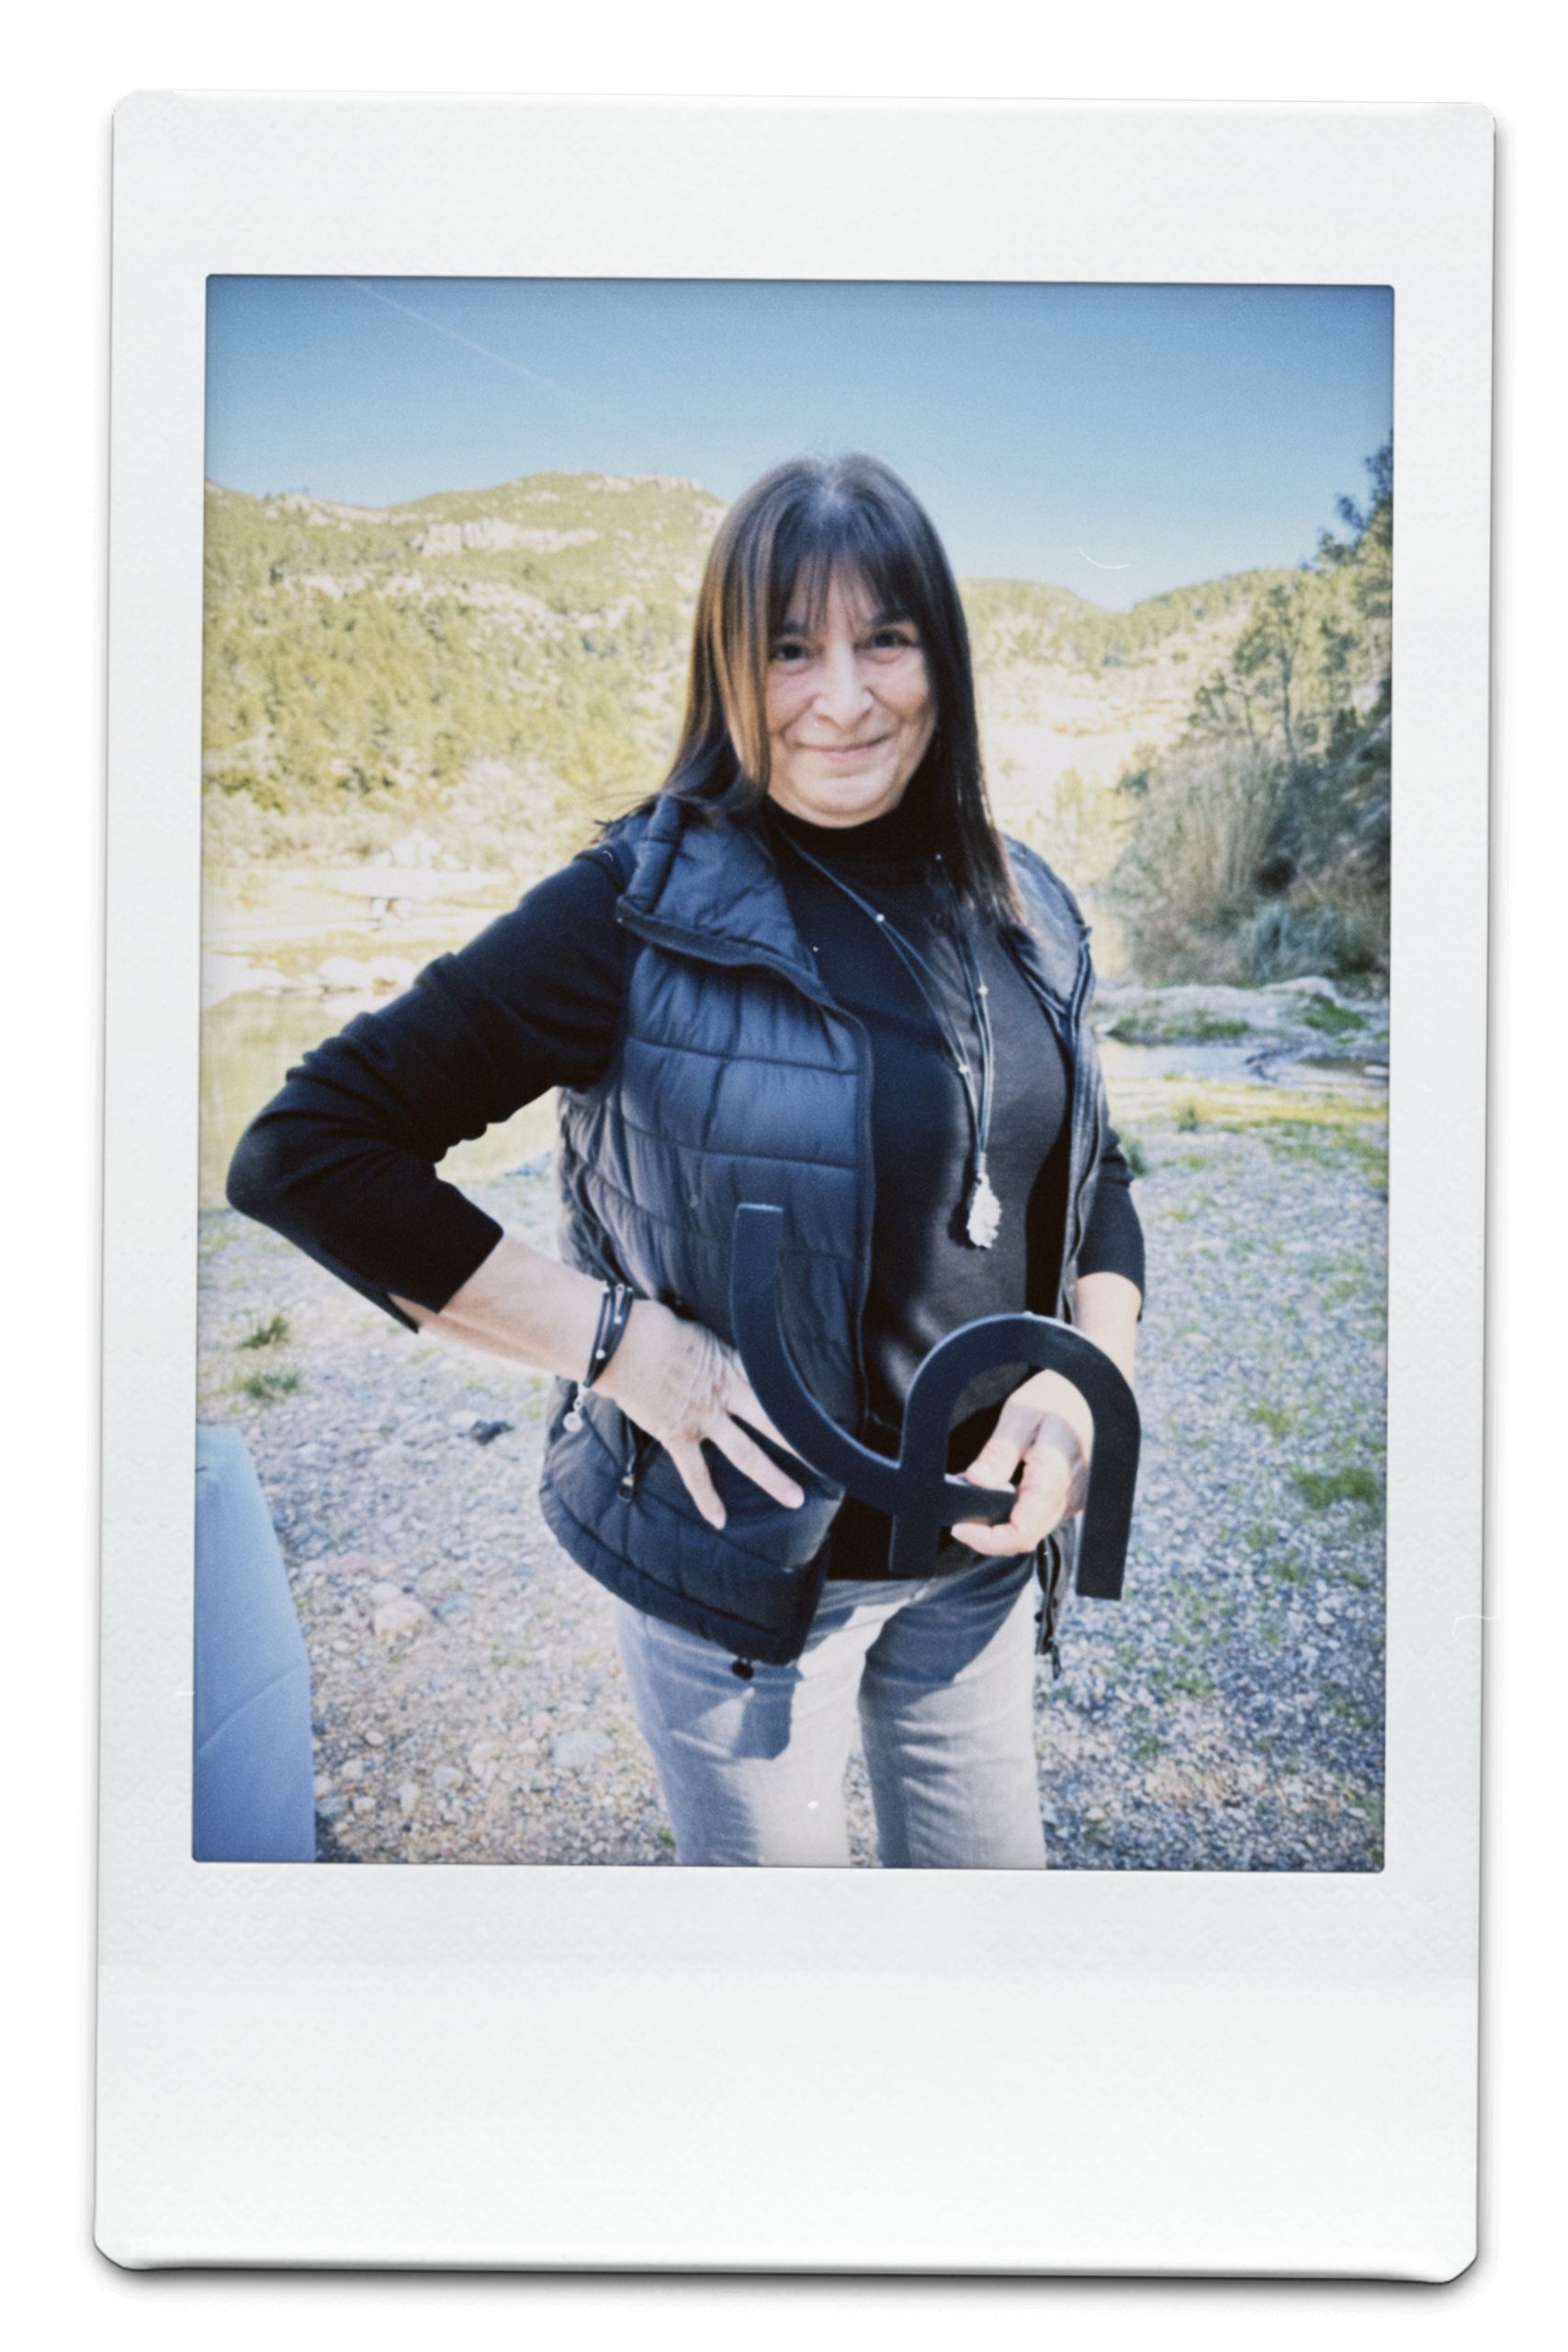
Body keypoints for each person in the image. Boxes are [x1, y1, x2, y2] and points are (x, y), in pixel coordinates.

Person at [226, 452, 1145, 1870]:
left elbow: (1096, 1184)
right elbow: (308, 1151)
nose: (843, 697)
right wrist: (619, 1348)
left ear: (944, 661)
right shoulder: (632, 906)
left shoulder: (1029, 902)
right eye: (789, 649)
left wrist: (1087, 1385)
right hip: (746, 1591)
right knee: (781, 1978)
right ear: (727, 668)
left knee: (988, 1946)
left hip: (979, 1562)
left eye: (884, 639)